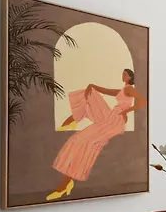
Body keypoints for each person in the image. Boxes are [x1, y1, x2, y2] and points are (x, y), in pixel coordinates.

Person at [47, 68, 146, 201]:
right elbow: (106, 91)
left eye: (125, 74)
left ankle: (65, 184)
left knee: (86, 141)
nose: (123, 75)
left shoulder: (130, 89)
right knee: (79, 135)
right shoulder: (124, 89)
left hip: (115, 121)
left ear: (129, 77)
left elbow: (143, 102)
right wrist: (92, 85)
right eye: (123, 73)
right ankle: (67, 181)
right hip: (111, 118)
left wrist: (126, 111)